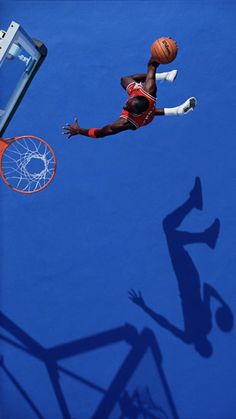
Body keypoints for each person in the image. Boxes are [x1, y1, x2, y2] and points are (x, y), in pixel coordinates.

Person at [62, 57, 197, 139]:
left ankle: (177, 111)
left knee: (149, 110)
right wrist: (161, 50)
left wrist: (79, 131)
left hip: (144, 120)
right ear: (136, 96)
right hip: (147, 111)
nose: (124, 105)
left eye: (127, 106)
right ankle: (165, 78)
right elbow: (152, 64)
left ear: (134, 112)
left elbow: (101, 133)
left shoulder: (125, 122)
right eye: (129, 102)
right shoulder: (149, 90)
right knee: (124, 80)